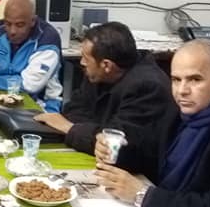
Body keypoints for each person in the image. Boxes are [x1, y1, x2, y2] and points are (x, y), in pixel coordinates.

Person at [94, 39, 210, 207]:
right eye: (176, 80)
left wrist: (143, 195)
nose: (182, 91)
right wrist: (116, 152)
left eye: (195, 79)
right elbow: (151, 157)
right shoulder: (179, 110)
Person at [34, 21, 176, 155]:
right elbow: (75, 109)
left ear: (106, 65)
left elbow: (115, 144)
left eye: (86, 58)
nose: (82, 63)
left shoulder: (147, 88)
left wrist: (69, 128)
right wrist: (87, 132)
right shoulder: (98, 74)